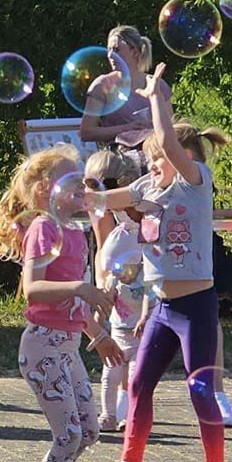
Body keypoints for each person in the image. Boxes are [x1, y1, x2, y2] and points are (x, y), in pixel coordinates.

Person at [88, 68, 232, 462]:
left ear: (186, 157)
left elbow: (169, 142)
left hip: (196, 308)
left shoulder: (196, 182)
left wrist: (157, 100)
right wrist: (66, 192)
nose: (152, 164)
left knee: (201, 391)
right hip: (162, 308)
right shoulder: (148, 186)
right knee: (138, 383)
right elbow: (102, 200)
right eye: (149, 159)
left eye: (157, 157)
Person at [0, 145, 119, 462]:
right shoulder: (43, 228)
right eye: (71, 178)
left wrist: (97, 335)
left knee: (89, 430)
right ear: (46, 189)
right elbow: (33, 289)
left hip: (67, 348)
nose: (81, 184)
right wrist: (82, 287)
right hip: (43, 348)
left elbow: (75, 305)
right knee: (68, 434)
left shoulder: (75, 233)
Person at [86, 149, 147, 435]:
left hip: (144, 309)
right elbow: (104, 257)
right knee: (116, 363)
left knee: (134, 366)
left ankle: (127, 413)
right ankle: (110, 414)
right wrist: (104, 286)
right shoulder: (121, 231)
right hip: (122, 311)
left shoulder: (140, 218)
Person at [77, 25, 156, 157]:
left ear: (134, 52)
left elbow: (171, 126)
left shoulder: (155, 84)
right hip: (121, 159)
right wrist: (126, 129)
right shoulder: (102, 85)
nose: (110, 55)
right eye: (108, 49)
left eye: (116, 50)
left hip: (155, 154)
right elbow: (86, 132)